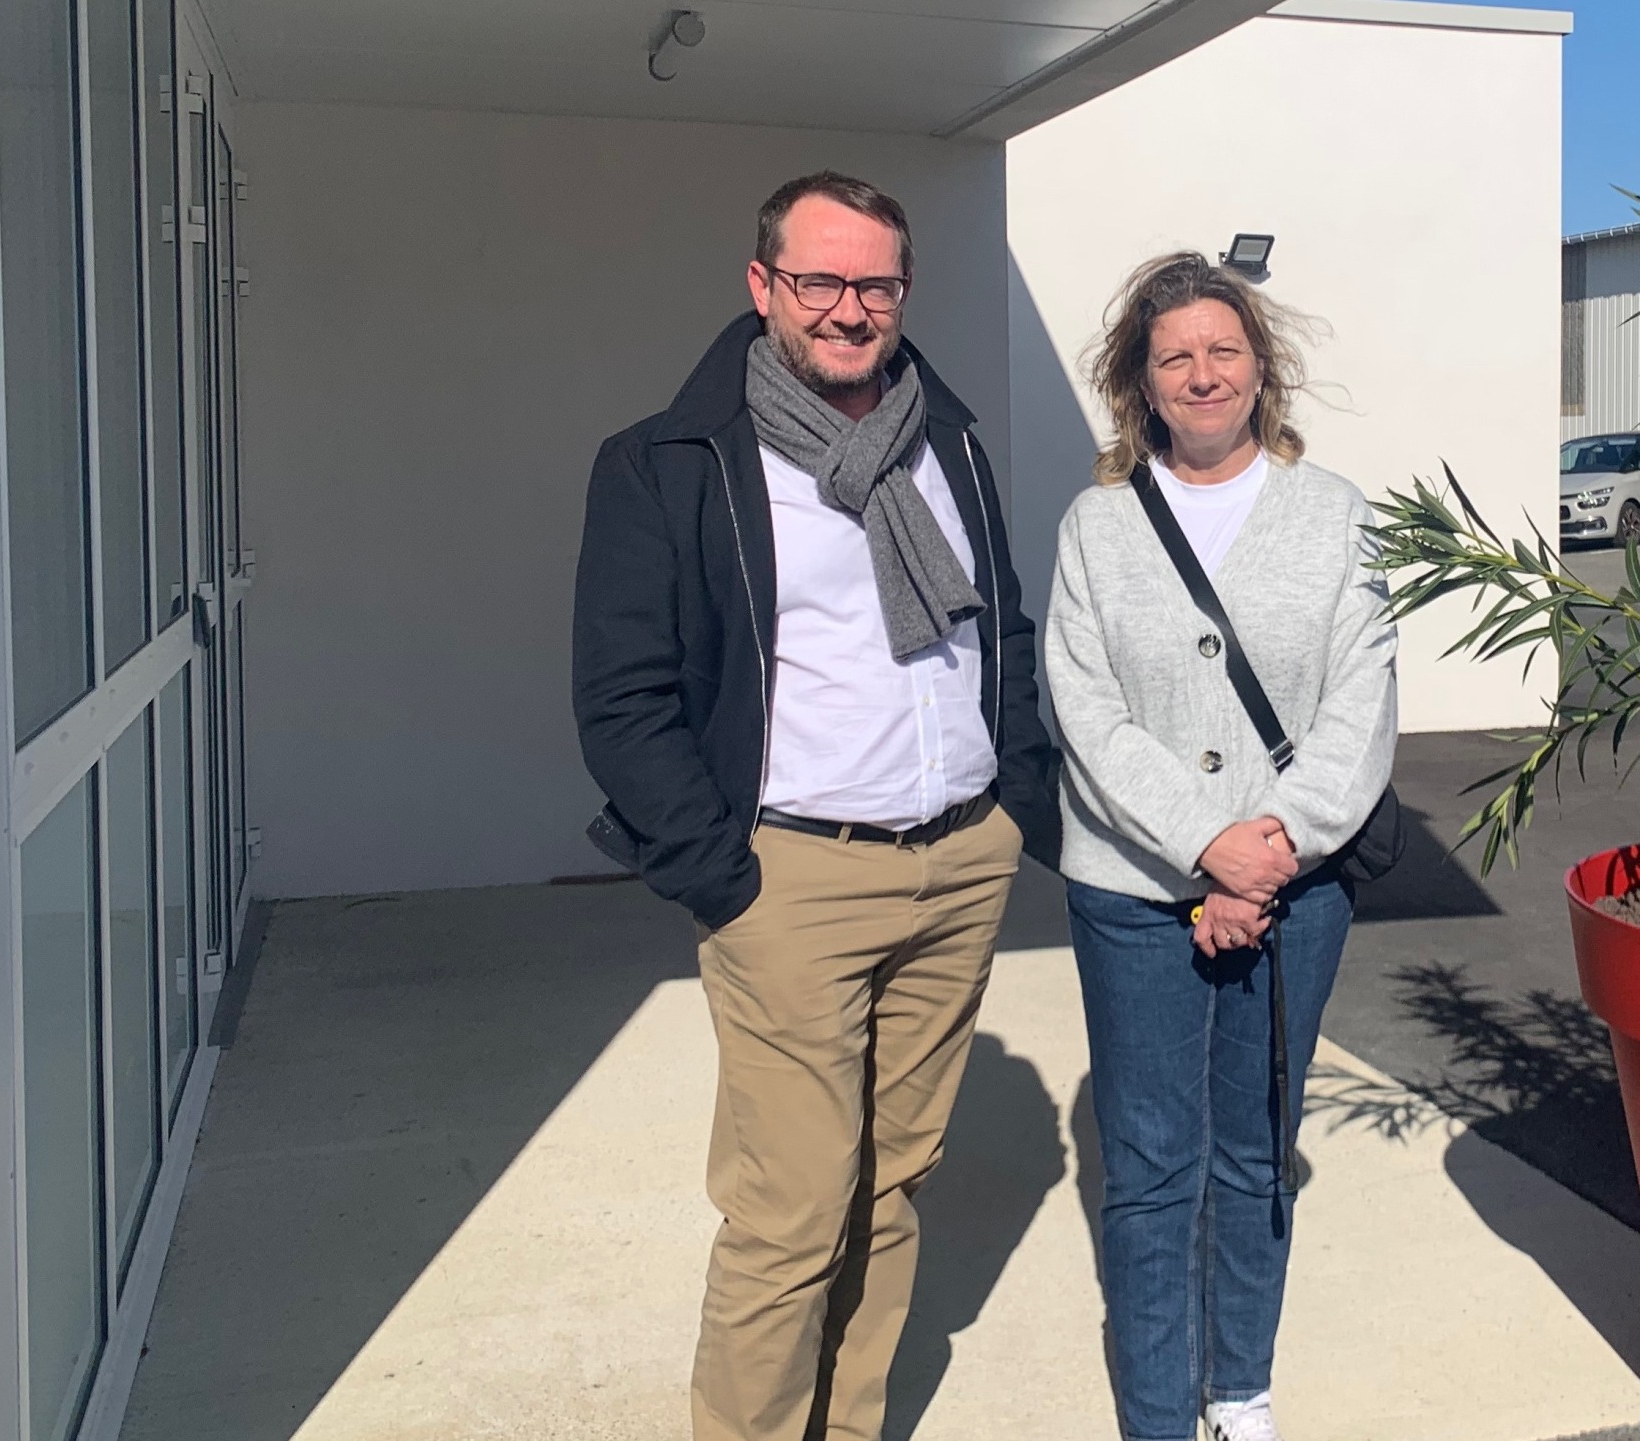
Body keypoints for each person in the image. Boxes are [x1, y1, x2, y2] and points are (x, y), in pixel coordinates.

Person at [570, 170, 1058, 1441]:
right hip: (792, 879)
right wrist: (720, 872)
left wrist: (1011, 797)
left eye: (875, 284)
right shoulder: (670, 462)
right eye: (820, 281)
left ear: (903, 291)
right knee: (789, 1210)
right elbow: (624, 699)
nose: (848, 309)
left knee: (892, 1187)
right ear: (762, 286)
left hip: (957, 864)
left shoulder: (944, 439)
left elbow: (995, 626)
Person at [1044, 252, 1398, 1441]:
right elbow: (1081, 709)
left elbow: (1362, 704)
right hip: (1133, 893)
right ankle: (1157, 1414)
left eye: (1223, 350)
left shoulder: (1339, 515)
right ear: (1139, 382)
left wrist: (1269, 848)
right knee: (1149, 1173)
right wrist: (1204, 845)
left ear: (1262, 369)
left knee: (1253, 1156)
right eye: (1174, 356)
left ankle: (1238, 1391)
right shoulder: (1095, 527)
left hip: (1295, 890)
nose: (1202, 373)